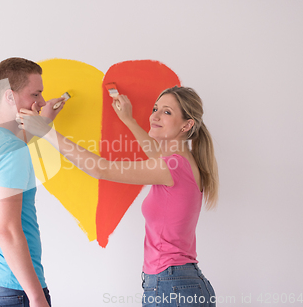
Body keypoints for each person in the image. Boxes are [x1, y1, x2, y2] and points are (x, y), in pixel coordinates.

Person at [18, 86, 218, 307]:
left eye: (167, 112)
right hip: (179, 283)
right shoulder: (183, 161)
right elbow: (155, 154)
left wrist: (46, 131)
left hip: (172, 285)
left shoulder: (172, 165)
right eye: (155, 108)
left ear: (187, 125)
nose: (155, 115)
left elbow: (100, 169)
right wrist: (128, 120)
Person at [0, 57, 65, 307]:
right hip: (11, 289)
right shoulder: (13, 151)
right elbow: (7, 230)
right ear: (10, 96)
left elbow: (7, 155)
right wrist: (37, 297)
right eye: (36, 94)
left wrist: (45, 121)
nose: (41, 102)